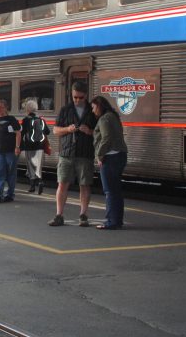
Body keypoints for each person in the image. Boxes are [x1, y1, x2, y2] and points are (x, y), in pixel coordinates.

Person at [50, 80, 97, 226]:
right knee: (62, 184)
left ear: (86, 95)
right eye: (75, 97)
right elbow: (55, 130)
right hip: (67, 152)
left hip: (85, 153)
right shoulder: (65, 110)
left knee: (85, 184)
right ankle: (59, 215)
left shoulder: (93, 110)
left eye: (80, 98)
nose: (77, 100)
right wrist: (67, 130)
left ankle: (83, 215)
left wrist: (89, 131)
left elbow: (100, 132)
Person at [91, 94, 128, 229]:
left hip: (110, 157)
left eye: (94, 107)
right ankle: (117, 220)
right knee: (116, 190)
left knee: (110, 191)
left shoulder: (104, 119)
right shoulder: (114, 117)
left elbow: (106, 138)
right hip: (120, 155)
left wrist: (100, 155)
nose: (92, 110)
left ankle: (111, 222)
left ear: (100, 106)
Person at [20, 98, 50, 194]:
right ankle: (40, 181)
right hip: (40, 147)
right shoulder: (41, 120)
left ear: (28, 110)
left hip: (29, 146)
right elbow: (47, 132)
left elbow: (22, 133)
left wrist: (20, 147)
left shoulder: (25, 120)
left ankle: (32, 186)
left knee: (30, 166)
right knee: (38, 166)